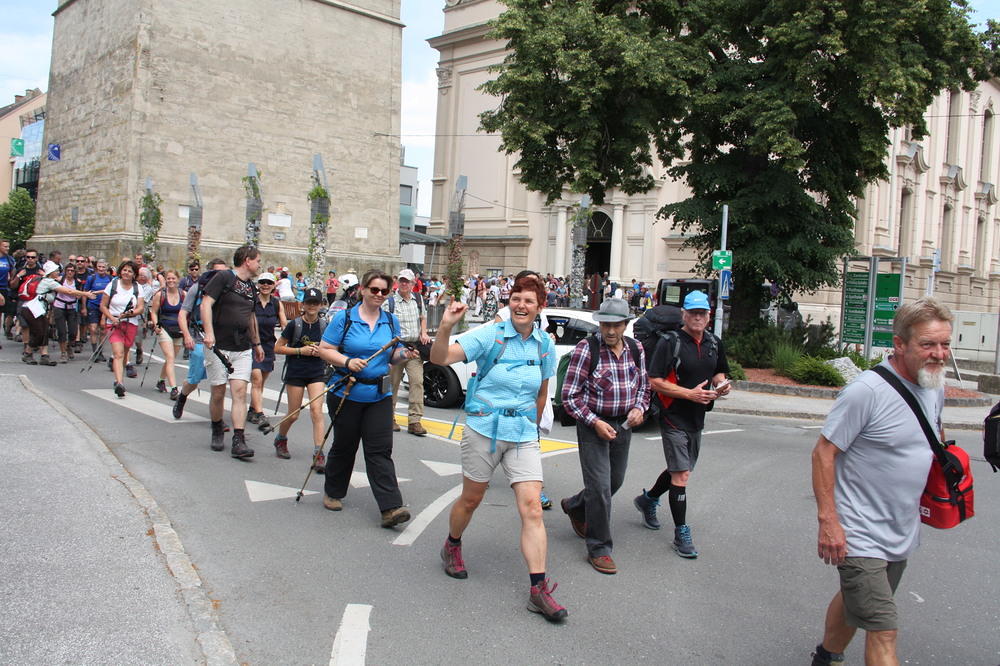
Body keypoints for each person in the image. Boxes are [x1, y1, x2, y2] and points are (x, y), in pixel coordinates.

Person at [809, 297, 952, 666]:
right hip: (860, 532)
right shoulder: (867, 391)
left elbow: (930, 441)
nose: (939, 354)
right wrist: (829, 521)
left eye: (945, 344)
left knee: (857, 600)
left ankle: (825, 657)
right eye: (928, 344)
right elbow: (823, 453)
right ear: (900, 344)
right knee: (883, 628)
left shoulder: (933, 385)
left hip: (901, 529)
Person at [430, 277, 567, 622]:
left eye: (529, 301)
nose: (521, 305)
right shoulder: (489, 335)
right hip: (483, 430)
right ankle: (452, 544)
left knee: (532, 508)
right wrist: (446, 326)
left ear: (540, 307)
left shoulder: (545, 346)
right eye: (516, 298)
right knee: (471, 499)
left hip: (522, 435)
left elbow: (541, 393)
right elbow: (440, 357)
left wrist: (533, 431)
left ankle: (538, 589)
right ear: (509, 302)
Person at [632, 290, 730, 559]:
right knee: (682, 474)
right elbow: (654, 381)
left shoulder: (714, 343)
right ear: (684, 315)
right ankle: (681, 533)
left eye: (702, 313)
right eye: (693, 313)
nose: (698, 318)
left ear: (709, 316)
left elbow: (718, 371)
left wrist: (722, 385)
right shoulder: (670, 342)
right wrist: (689, 394)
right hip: (671, 413)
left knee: (681, 469)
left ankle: (648, 499)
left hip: (697, 416)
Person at [317, 269, 419, 527]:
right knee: (345, 446)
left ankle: (391, 507)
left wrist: (404, 355)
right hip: (346, 393)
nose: (379, 294)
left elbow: (392, 354)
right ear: (362, 289)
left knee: (380, 450)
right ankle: (333, 492)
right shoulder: (345, 319)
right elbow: (325, 349)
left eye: (384, 291)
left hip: (379, 395)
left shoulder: (390, 320)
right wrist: (347, 361)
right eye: (374, 289)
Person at [560, 298, 650, 575]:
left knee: (614, 481)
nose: (610, 331)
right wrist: (595, 422)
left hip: (624, 425)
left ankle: (576, 506)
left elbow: (644, 387)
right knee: (599, 486)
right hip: (593, 425)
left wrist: (640, 408)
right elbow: (569, 396)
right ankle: (599, 548)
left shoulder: (636, 348)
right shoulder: (587, 349)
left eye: (616, 325)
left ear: (626, 325)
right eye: (605, 325)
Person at [200, 245, 264, 459]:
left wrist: (257, 343)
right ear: (247, 260)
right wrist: (209, 333)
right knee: (218, 392)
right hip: (218, 345)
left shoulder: (252, 287)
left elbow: (251, 317)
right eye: (258, 261)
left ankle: (239, 439)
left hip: (242, 346)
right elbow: (205, 304)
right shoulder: (224, 277)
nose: (259, 265)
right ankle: (217, 427)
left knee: (240, 392)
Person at [272, 288, 328, 461]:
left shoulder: (324, 326)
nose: (312, 306)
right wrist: (300, 351)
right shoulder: (294, 325)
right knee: (293, 414)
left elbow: (331, 348)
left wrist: (321, 352)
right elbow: (278, 348)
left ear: (321, 305)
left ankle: (318, 453)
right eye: (309, 303)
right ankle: (281, 439)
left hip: (316, 372)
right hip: (296, 372)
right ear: (303, 304)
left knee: (316, 411)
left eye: (315, 303)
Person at [172, 258, 229, 421]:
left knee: (219, 382)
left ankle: (217, 420)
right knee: (194, 380)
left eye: (224, 272)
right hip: (199, 339)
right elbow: (182, 314)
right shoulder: (197, 289)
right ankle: (182, 397)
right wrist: (187, 336)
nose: (221, 276)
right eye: (217, 272)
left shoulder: (228, 290)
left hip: (221, 340)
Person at [20, 261, 95, 366]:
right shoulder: (49, 282)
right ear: (51, 272)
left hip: (38, 309)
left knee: (45, 332)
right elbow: (69, 291)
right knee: (38, 333)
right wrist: (85, 294)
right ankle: (28, 353)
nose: (58, 272)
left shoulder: (48, 280)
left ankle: (44, 356)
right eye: (56, 270)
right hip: (31, 309)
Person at [384, 268, 430, 436]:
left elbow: (423, 318)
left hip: (414, 349)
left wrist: (423, 332)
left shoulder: (418, 300)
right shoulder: (390, 302)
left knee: (417, 382)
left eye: (407, 281)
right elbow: (383, 324)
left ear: (412, 284)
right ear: (397, 283)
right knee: (392, 384)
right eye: (401, 281)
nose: (404, 284)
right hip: (396, 349)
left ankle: (415, 421)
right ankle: (389, 417)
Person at [247, 272, 287, 431]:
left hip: (269, 345)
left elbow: (284, 325)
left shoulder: (276, 304)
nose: (265, 285)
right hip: (251, 345)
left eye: (269, 283)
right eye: (262, 282)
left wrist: (288, 341)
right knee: (256, 379)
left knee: (261, 381)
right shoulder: (251, 302)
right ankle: (260, 414)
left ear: (273, 286)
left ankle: (252, 410)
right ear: (258, 284)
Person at [99, 260, 145, 396]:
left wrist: (130, 313)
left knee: (124, 352)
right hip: (114, 323)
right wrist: (111, 318)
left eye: (130, 271)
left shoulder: (137, 287)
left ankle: (119, 379)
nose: (126, 273)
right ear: (120, 271)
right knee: (118, 353)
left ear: (134, 274)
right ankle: (119, 383)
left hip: (130, 323)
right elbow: (103, 305)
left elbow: (140, 308)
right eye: (124, 270)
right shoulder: (113, 285)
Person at [149, 269, 185, 399]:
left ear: (178, 279)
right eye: (168, 278)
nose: (171, 281)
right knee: (170, 358)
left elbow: (187, 312)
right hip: (164, 328)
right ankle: (174, 388)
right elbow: (153, 312)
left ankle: (161, 380)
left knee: (171, 359)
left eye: (173, 278)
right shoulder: (160, 295)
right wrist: (156, 325)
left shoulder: (183, 294)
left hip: (179, 330)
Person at [51, 261, 82, 362]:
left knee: (73, 332)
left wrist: (78, 295)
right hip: (59, 306)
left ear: (75, 272)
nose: (69, 272)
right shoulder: (60, 280)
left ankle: (69, 346)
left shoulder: (77, 282)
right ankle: (63, 352)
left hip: (71, 307)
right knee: (62, 331)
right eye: (68, 270)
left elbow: (79, 294)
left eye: (72, 271)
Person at [83, 260, 113, 361]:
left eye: (103, 267)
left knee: (103, 329)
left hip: (105, 307)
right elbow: (85, 293)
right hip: (93, 306)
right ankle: (95, 352)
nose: (101, 269)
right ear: (96, 267)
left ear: (106, 268)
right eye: (99, 267)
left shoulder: (110, 279)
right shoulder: (91, 278)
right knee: (93, 329)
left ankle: (100, 351)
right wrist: (84, 307)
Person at [0, 239, 15, 340]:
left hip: (4, 288)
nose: (7, 248)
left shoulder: (9, 259)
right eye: (5, 246)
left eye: (8, 246)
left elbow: (13, 273)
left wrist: (11, 280)